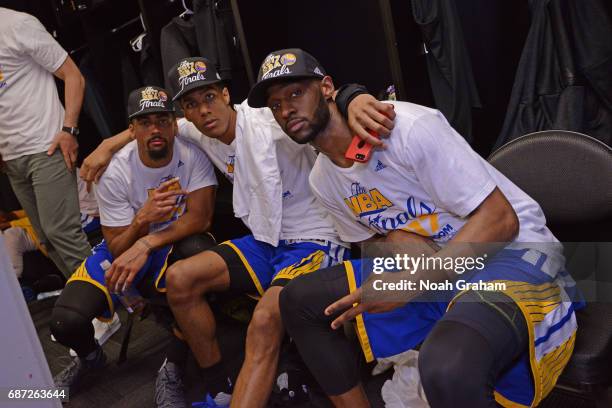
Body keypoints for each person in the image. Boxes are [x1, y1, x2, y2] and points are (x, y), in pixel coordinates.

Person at [251, 48, 583, 408]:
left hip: (513, 253)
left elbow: (501, 220)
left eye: (296, 93)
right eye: (275, 105)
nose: (286, 110)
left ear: (328, 87)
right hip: (440, 264)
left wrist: (417, 279)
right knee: (298, 301)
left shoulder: (406, 128)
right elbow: (376, 242)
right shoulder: (323, 180)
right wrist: (405, 254)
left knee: (447, 366)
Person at [80, 57, 393, 407]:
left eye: (210, 97)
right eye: (192, 105)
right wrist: (108, 144)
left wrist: (354, 97)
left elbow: (324, 110)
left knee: (263, 322)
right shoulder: (198, 129)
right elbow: (162, 126)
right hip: (266, 240)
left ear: (226, 94)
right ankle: (219, 387)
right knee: (181, 279)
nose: (204, 111)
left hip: (314, 238)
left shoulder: (271, 124)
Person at [50, 86, 218, 400]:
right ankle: (90, 359)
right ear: (132, 129)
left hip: (171, 245)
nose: (155, 129)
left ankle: (173, 367)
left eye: (161, 120)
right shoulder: (115, 172)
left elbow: (200, 218)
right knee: (65, 320)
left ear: (173, 123)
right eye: (144, 122)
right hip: (125, 245)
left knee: (199, 257)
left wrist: (148, 241)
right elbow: (116, 248)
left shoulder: (191, 153)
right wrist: (142, 219)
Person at [0, 7, 90, 278]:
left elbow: (74, 75)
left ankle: (110, 308)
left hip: (46, 145)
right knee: (46, 241)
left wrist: (69, 130)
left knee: (62, 232)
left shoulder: (18, 24)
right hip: (12, 158)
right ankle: (90, 305)